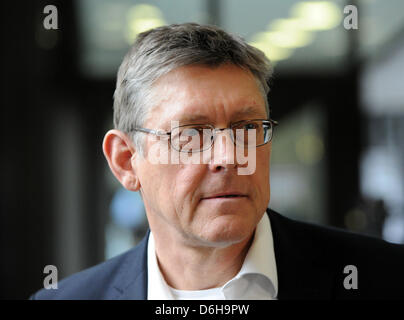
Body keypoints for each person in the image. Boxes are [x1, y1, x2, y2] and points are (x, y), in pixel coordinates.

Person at [31, 23, 404, 300]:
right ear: (127, 161)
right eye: (191, 135)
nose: (230, 157)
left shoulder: (384, 278)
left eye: (247, 128)